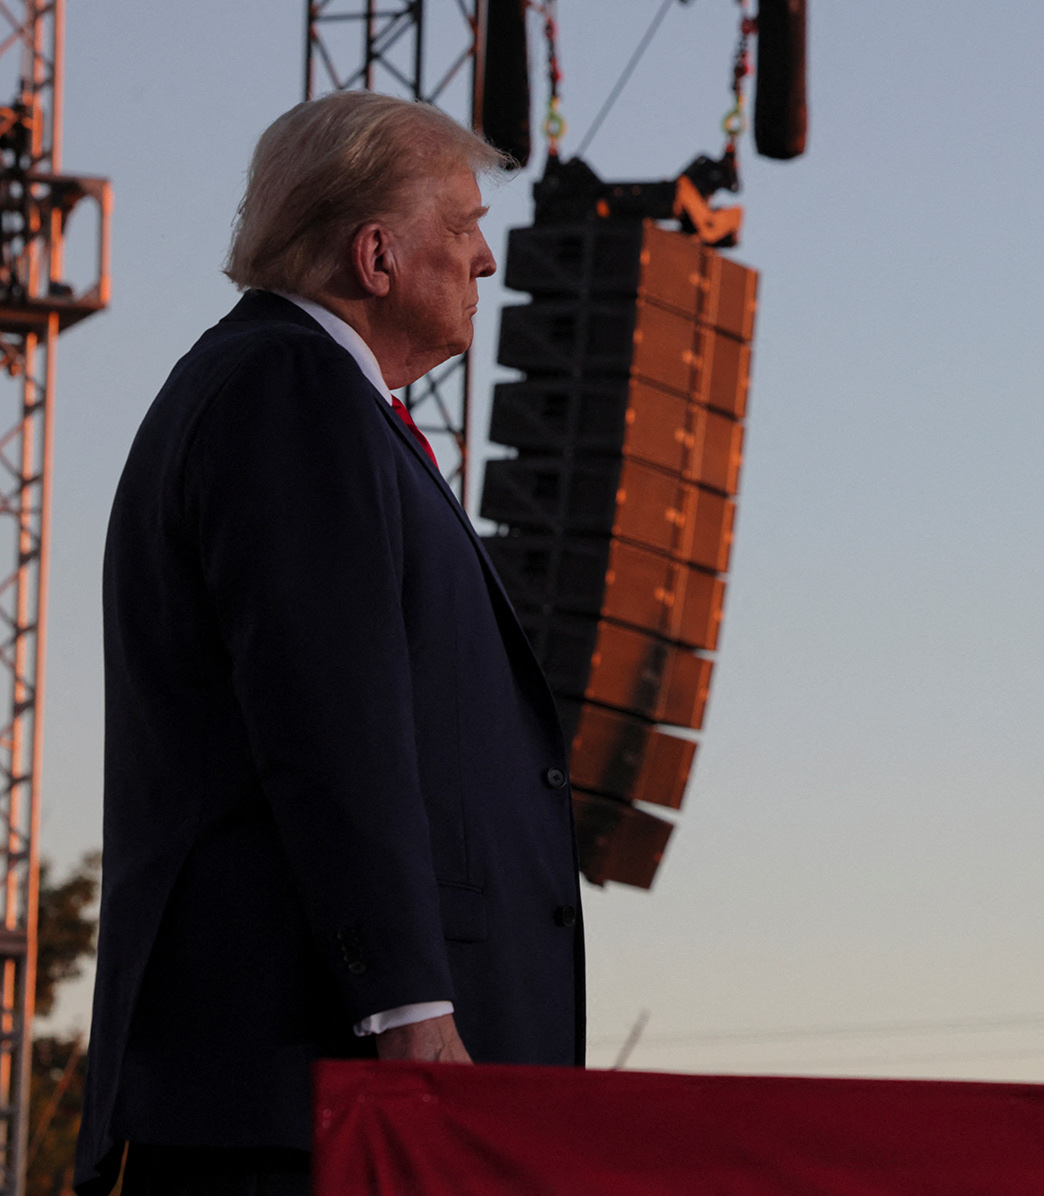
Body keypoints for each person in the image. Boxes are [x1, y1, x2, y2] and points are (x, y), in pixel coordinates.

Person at [76, 92, 585, 1195]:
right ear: (378, 252)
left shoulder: (295, 395)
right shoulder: (290, 386)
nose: (487, 258)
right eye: (462, 224)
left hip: (313, 1087)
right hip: (307, 1094)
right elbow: (331, 719)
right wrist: (409, 1005)